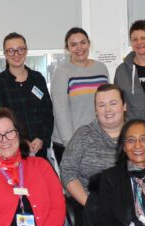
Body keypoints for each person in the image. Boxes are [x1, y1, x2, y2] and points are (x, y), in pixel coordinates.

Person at [60, 84, 126, 226]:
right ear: (96, 111)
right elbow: (67, 170)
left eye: (113, 103)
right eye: (101, 105)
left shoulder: (136, 136)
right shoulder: (83, 134)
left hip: (128, 206)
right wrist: (90, 203)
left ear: (124, 106)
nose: (107, 110)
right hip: (88, 203)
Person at [0, 32, 54, 159]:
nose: (16, 54)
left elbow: (48, 113)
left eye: (20, 49)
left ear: (26, 51)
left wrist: (41, 137)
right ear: (5, 54)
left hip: (39, 148)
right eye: (11, 51)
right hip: (12, 149)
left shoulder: (38, 78)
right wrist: (20, 141)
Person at [51, 27, 109, 164]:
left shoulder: (101, 68)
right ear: (67, 48)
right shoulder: (62, 72)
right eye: (73, 44)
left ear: (89, 44)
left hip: (97, 140)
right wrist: (71, 144)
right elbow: (60, 109)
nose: (79, 48)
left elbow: (107, 102)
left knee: (98, 184)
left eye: (83, 42)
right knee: (75, 184)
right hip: (69, 142)